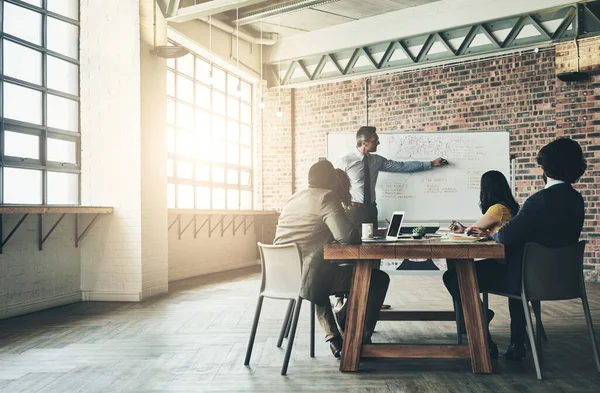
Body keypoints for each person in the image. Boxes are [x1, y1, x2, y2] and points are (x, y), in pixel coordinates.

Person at [443, 137, 587, 360]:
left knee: (454, 276)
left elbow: (505, 235)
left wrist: (490, 234)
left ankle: (483, 338)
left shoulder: (539, 200)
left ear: (545, 167)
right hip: (563, 279)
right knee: (520, 267)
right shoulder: (577, 200)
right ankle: (516, 343)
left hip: (524, 279)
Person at [274, 160, 390, 359]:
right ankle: (359, 337)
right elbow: (348, 237)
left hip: (281, 273)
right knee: (377, 279)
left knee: (320, 272)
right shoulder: (327, 197)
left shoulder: (294, 197)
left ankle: (335, 336)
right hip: (308, 275)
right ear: (332, 181)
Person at [444, 170, 520, 358]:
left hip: (504, 269)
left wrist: (465, 230)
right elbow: (476, 230)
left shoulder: (497, 208)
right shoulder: (510, 207)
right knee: (458, 276)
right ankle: (479, 316)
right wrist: (465, 229)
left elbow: (473, 231)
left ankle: (480, 320)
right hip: (514, 266)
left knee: (454, 277)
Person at [336, 126, 447, 229]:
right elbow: (335, 185)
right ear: (364, 142)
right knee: (352, 246)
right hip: (354, 210)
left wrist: (430, 163)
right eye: (375, 140)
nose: (378, 143)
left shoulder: (376, 160)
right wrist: (344, 203)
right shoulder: (345, 161)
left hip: (371, 209)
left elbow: (402, 166)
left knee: (373, 244)